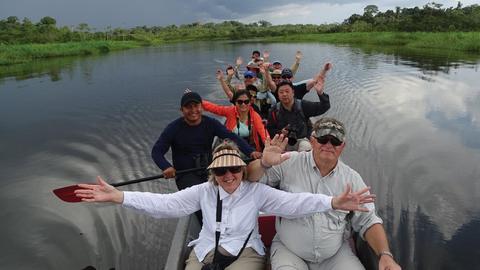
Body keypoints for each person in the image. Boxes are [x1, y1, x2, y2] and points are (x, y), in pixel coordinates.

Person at [75, 140, 376, 270]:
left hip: (245, 254)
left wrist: (332, 201)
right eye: (221, 171)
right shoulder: (203, 192)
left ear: (243, 171)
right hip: (205, 251)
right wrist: (119, 197)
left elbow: (295, 202)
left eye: (234, 170)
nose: (228, 176)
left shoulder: (257, 192)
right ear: (213, 174)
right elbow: (165, 204)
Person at [247, 118, 402, 270]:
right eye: (323, 139)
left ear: (342, 146)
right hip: (289, 251)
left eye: (335, 141)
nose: (328, 145)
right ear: (312, 141)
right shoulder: (287, 162)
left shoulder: (352, 179)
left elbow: (368, 220)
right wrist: (264, 163)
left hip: (335, 255)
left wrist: (385, 255)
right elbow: (250, 180)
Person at [150, 91, 260, 223]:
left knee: (227, 194)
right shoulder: (173, 128)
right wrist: (166, 166)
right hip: (185, 174)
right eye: (188, 107)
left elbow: (231, 137)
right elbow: (157, 151)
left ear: (202, 107)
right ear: (181, 110)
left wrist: (251, 152)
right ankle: (209, 229)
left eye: (196, 106)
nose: (193, 110)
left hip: (208, 170)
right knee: (202, 201)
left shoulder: (210, 123)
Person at [267, 79, 330, 151]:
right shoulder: (274, 110)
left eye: (287, 91)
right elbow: (270, 129)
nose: (284, 94)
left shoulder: (303, 105)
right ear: (278, 95)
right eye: (281, 92)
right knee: (274, 151)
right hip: (283, 141)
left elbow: (325, 107)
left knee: (305, 147)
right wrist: (281, 132)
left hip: (302, 140)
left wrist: (320, 93)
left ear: (293, 93)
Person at [202, 90, 269, 152]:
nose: (243, 104)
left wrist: (270, 147)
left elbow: (264, 134)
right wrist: (198, 101)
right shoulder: (230, 111)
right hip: (231, 147)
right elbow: (213, 108)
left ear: (250, 102)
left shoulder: (255, 116)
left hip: (249, 148)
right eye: (240, 102)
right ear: (235, 102)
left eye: (246, 102)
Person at [266, 62, 332, 100]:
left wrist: (324, 70)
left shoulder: (298, 87)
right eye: (284, 77)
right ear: (281, 78)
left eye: (289, 77)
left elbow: (315, 81)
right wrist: (266, 70)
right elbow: (269, 82)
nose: (287, 79)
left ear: (292, 78)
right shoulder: (276, 88)